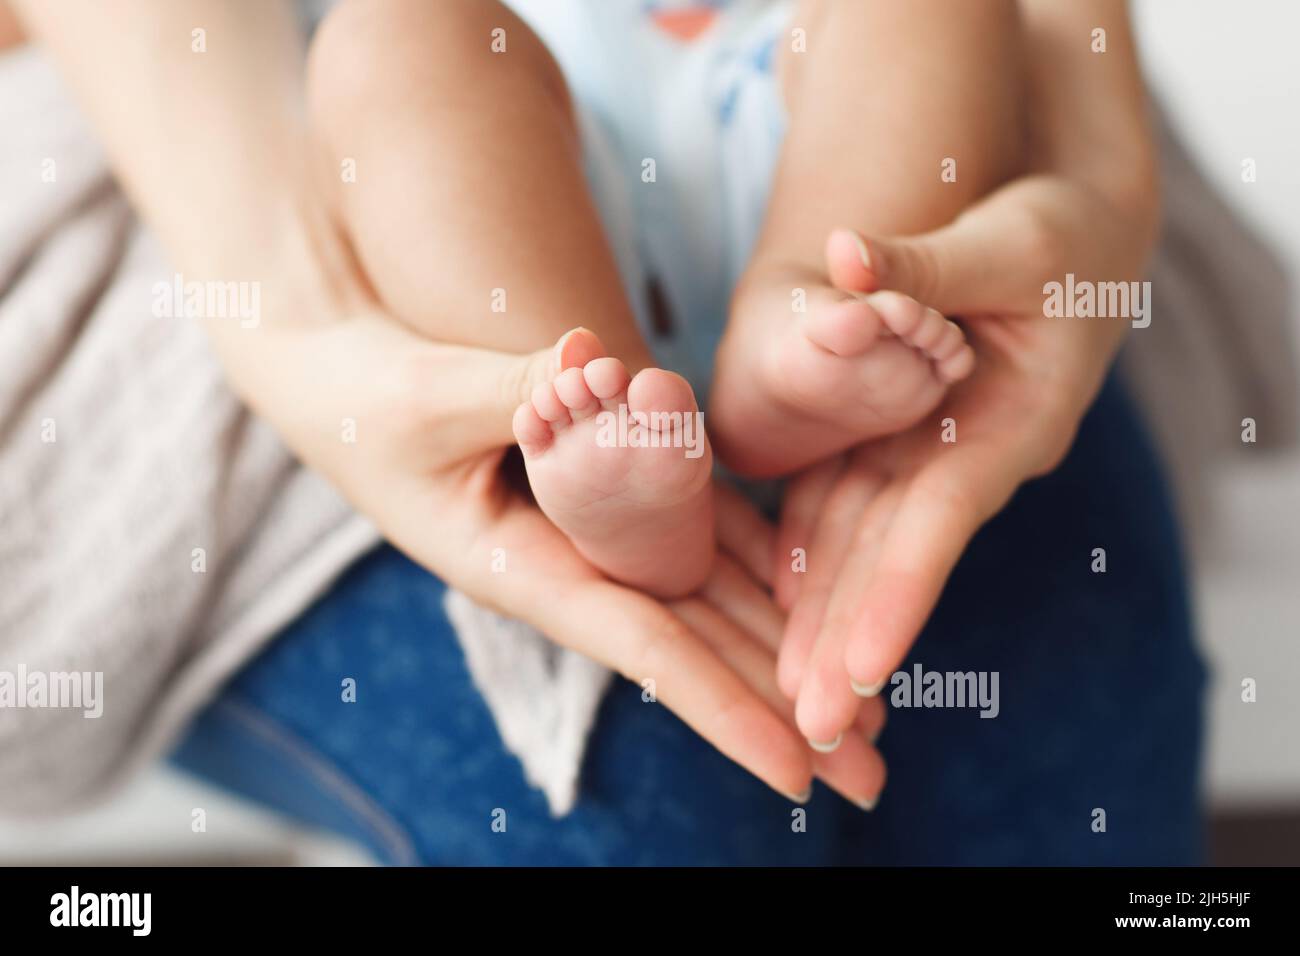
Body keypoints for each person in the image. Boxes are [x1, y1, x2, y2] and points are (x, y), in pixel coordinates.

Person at [8, 0, 1204, 862]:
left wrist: (1101, 164)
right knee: (396, 50)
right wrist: (290, 321)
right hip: (504, 119)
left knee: (934, 15)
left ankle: (800, 320)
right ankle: (606, 429)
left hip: (781, 99)